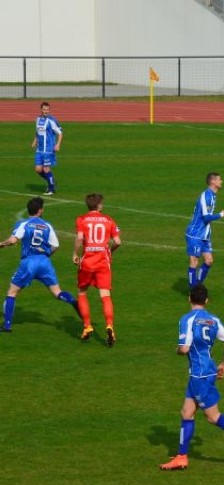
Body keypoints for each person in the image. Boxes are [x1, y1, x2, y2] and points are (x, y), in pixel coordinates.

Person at [160, 283, 224, 471]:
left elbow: (184, 349)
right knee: (186, 412)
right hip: (205, 372)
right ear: (206, 301)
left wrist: (177, 349)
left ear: (189, 299)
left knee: (213, 417)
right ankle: (181, 457)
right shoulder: (213, 320)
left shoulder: (187, 319)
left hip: (200, 375)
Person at [0, 197, 80, 331]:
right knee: (57, 292)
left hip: (28, 263)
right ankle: (73, 302)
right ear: (40, 210)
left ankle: (7, 325)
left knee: (12, 292)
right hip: (44, 262)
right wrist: (45, 255)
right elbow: (55, 245)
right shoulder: (47, 225)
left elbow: (14, 240)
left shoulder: (23, 224)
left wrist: (2, 243)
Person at [73, 193, 122, 346]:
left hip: (87, 261)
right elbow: (118, 241)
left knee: (82, 292)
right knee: (105, 294)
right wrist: (109, 251)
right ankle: (109, 326)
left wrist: (75, 253)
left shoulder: (81, 219)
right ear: (99, 205)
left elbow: (80, 238)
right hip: (103, 261)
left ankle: (87, 326)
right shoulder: (108, 220)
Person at [186, 172, 224, 288]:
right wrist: (220, 215)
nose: (221, 181)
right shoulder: (206, 195)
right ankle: (193, 291)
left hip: (204, 235)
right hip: (195, 234)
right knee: (194, 262)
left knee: (209, 260)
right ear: (213, 181)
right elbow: (206, 217)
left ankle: (197, 285)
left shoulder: (213, 195)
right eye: (219, 179)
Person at [32, 101, 63, 196]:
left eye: (47, 110)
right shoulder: (37, 119)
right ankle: (52, 181)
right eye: (44, 109)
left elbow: (60, 133)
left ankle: (52, 188)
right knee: (38, 169)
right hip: (39, 149)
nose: (46, 111)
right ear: (41, 110)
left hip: (48, 149)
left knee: (46, 169)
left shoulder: (52, 120)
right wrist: (34, 141)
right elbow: (38, 132)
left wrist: (58, 145)